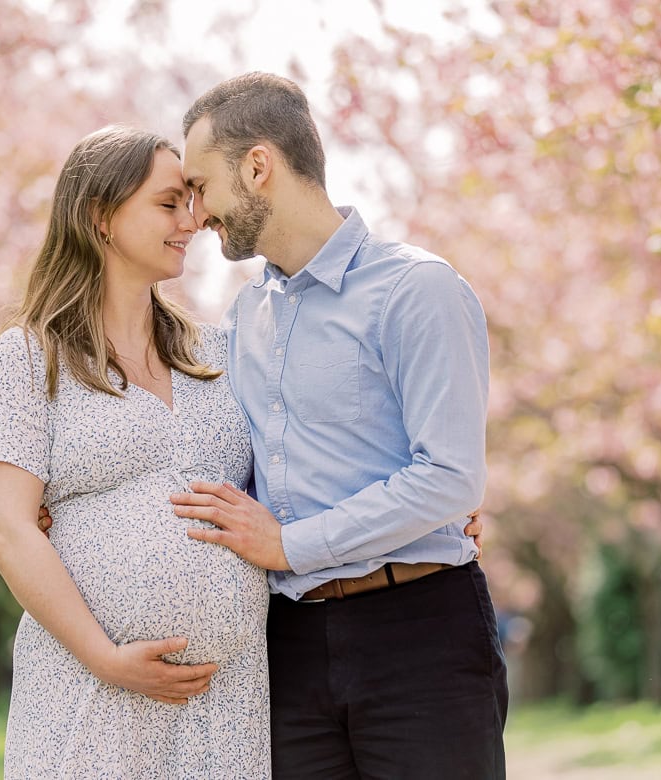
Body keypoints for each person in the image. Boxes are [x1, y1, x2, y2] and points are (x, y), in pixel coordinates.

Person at [170, 72, 509, 779]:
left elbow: (450, 477)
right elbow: (211, 452)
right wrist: (67, 508)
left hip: (419, 632)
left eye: (201, 185)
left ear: (258, 166)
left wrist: (290, 545)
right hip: (289, 645)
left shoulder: (417, 290)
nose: (196, 213)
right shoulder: (242, 319)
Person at [0, 125, 271, 778]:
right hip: (89, 688)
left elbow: (299, 468)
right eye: (168, 203)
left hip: (225, 700)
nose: (192, 220)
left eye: (192, 200)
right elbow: (8, 529)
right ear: (101, 216)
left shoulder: (218, 355)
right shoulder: (29, 358)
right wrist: (106, 656)